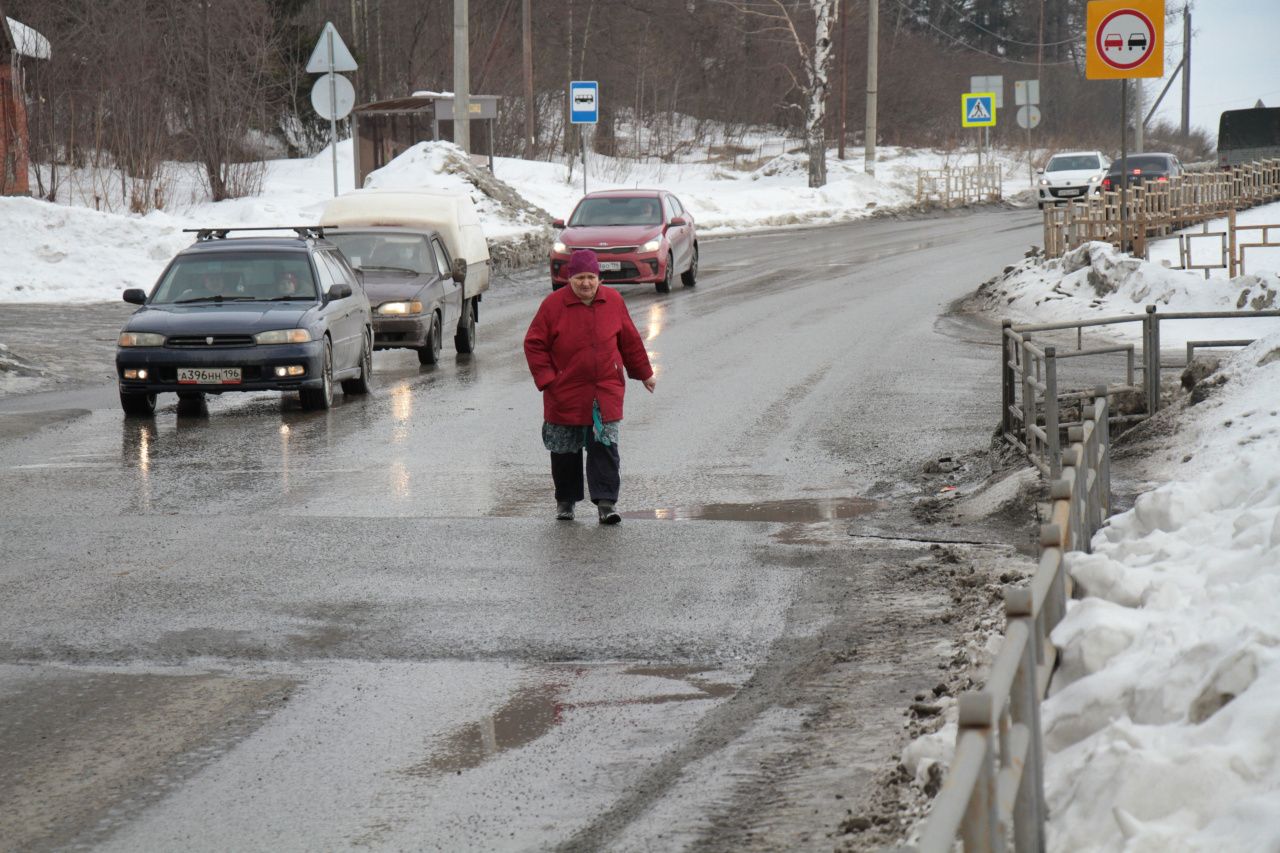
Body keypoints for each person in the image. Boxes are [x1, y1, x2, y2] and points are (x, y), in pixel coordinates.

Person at [524, 249, 656, 524]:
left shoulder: (614, 301)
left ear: (599, 278)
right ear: (570, 278)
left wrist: (644, 373)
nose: (586, 283)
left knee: (604, 447)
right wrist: (549, 379)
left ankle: (606, 503)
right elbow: (534, 344)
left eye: (591, 277)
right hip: (565, 391)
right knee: (564, 450)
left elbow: (629, 341)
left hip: (604, 390)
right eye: (580, 278)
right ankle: (566, 502)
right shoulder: (553, 305)